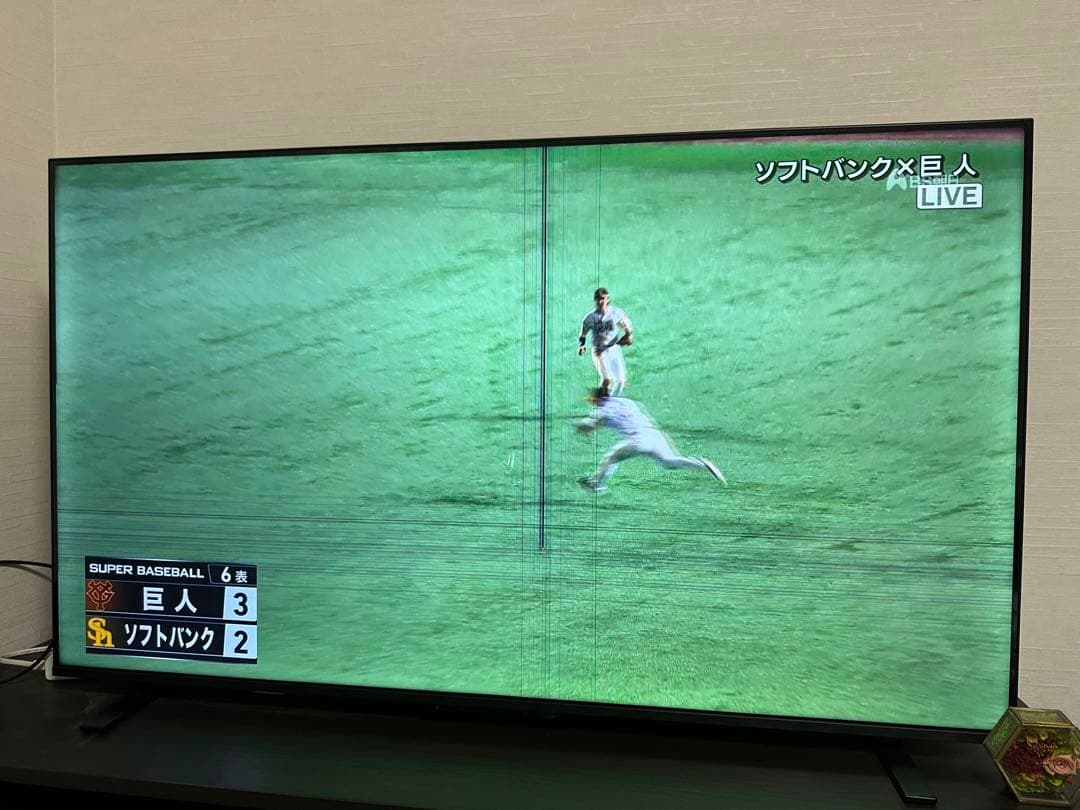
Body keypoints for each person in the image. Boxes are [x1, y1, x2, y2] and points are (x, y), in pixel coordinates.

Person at [574, 386, 726, 493]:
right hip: (654, 435)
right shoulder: (626, 401)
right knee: (670, 462)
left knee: (611, 457)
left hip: (639, 441)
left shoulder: (602, 410)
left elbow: (588, 426)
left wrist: (579, 426)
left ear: (596, 399)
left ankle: (595, 483)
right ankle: (702, 464)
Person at [578, 288, 633, 396]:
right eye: (598, 299)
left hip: (614, 348)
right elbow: (582, 334)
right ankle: (602, 401)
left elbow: (627, 326)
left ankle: (611, 400)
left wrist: (629, 335)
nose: (600, 302)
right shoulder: (590, 318)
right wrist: (582, 345)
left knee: (621, 381)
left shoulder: (615, 313)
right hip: (598, 351)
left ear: (607, 299)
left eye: (603, 299)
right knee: (607, 379)